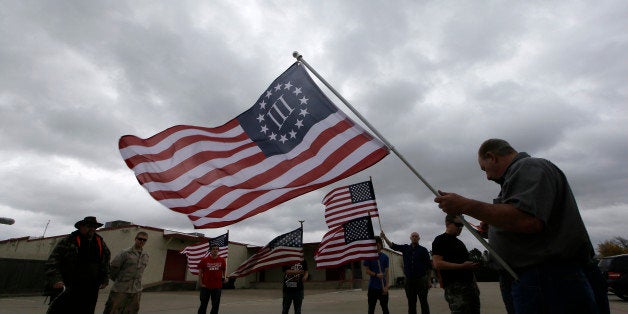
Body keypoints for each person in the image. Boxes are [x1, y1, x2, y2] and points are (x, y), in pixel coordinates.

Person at [434, 138, 609, 314]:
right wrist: (495, 227)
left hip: (548, 278)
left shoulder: (528, 167)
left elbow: (527, 219)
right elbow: (523, 219)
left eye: (484, 169)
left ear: (491, 157)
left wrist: (464, 205)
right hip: (535, 279)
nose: (487, 177)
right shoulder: (515, 177)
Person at [45, 216, 111, 314]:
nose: (92, 229)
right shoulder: (69, 240)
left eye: (94, 227)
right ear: (81, 227)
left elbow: (105, 261)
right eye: (89, 226)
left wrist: (105, 278)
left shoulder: (99, 242)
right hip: (69, 286)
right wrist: (56, 279)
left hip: (91, 287)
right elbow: (53, 261)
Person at [432, 214, 480, 314]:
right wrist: (462, 266)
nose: (460, 228)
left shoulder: (460, 243)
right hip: (455, 288)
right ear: (447, 223)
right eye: (458, 225)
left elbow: (468, 266)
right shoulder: (440, 240)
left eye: (462, 225)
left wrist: (475, 285)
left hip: (470, 287)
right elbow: (437, 264)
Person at [381, 230, 431, 314]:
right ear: (410, 238)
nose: (414, 237)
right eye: (413, 236)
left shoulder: (423, 250)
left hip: (421, 280)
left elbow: (429, 267)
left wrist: (429, 280)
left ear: (419, 238)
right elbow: (392, 246)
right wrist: (384, 237)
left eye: (416, 236)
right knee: (411, 303)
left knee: (424, 302)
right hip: (409, 281)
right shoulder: (405, 248)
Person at [103, 231, 150, 314]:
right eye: (140, 239)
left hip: (136, 291)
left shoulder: (145, 256)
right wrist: (120, 281)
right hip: (121, 290)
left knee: (131, 311)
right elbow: (113, 269)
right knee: (114, 311)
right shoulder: (125, 253)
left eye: (144, 240)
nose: (142, 241)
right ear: (135, 239)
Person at [197, 244, 227, 314]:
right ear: (210, 250)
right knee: (203, 304)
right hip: (205, 286)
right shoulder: (204, 260)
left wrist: (225, 278)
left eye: (217, 249)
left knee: (215, 305)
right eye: (213, 249)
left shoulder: (222, 260)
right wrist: (201, 283)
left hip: (217, 287)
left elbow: (224, 271)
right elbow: (200, 273)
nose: (215, 250)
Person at [363, 236, 390, 314]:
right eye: (375, 244)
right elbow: (367, 271)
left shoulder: (385, 257)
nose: (377, 246)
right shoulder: (369, 256)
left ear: (381, 245)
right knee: (371, 309)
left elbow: (387, 272)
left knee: (385, 309)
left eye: (379, 244)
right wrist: (376, 275)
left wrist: (386, 286)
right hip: (372, 287)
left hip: (382, 287)